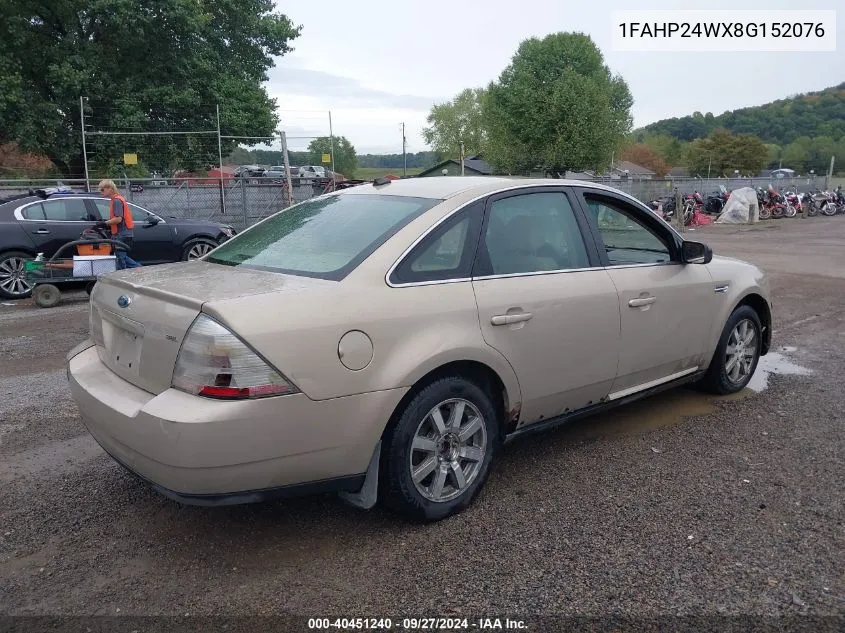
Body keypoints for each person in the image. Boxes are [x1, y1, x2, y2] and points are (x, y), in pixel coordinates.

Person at [97, 179, 141, 269]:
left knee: (121, 259)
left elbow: (118, 219)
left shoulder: (116, 201)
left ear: (110, 189)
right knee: (122, 257)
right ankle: (140, 270)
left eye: (102, 189)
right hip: (123, 233)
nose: (101, 192)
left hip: (121, 234)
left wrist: (104, 223)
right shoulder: (116, 199)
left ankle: (131, 274)